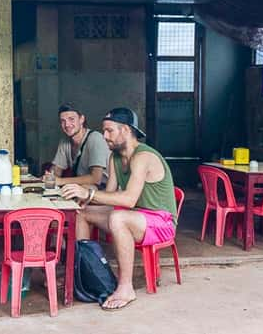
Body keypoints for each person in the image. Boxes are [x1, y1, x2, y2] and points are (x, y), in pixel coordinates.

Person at [61, 107, 177, 311]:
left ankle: (125, 288)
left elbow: (129, 200)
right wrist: (82, 199)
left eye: (109, 131)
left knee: (118, 218)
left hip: (161, 221)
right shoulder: (114, 157)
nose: (104, 136)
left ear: (125, 130)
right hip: (136, 216)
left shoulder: (143, 157)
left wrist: (88, 193)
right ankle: (87, 275)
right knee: (81, 213)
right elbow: (111, 195)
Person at [48, 103, 110, 188]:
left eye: (71, 119)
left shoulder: (95, 138)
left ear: (81, 119)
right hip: (81, 187)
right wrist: (49, 177)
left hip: (104, 188)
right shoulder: (65, 141)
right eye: (63, 121)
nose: (67, 125)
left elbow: (96, 178)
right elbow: (56, 171)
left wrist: (61, 181)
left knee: (80, 190)